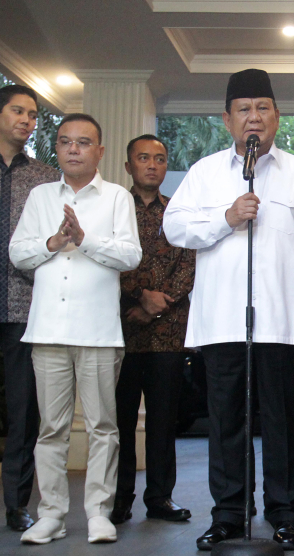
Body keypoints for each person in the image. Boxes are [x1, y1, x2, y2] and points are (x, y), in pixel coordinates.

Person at [163, 68, 294, 552]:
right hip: (222, 320)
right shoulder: (204, 173)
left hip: (284, 321)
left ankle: (286, 515)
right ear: (227, 120)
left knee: (285, 421)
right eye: (244, 109)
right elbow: (174, 227)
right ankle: (228, 514)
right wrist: (226, 217)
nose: (254, 118)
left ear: (277, 117)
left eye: (262, 108)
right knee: (226, 421)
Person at [10, 113, 142, 544]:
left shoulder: (118, 198)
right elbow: (17, 253)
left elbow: (130, 257)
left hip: (99, 332)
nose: (72, 149)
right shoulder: (40, 196)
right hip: (46, 329)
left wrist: (84, 238)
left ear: (99, 151)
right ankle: (50, 513)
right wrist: (53, 242)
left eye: (83, 142)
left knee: (104, 425)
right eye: (65, 142)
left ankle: (99, 513)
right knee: (51, 428)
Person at [112, 134, 195, 525]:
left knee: (164, 420)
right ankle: (118, 498)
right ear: (128, 166)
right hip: (118, 329)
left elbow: (190, 261)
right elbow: (103, 258)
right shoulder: (112, 208)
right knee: (119, 420)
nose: (152, 165)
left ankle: (160, 498)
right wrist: (138, 296)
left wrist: (157, 306)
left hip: (168, 331)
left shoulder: (179, 211)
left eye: (159, 159)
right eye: (143, 158)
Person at [0, 84, 60, 532]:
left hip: (24, 307)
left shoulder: (44, 177)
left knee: (24, 413)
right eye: (18, 111)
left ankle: (17, 504)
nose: (27, 120)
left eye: (33, 114)